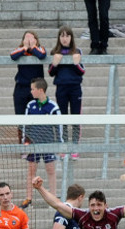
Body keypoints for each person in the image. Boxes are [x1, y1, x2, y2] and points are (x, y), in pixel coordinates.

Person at [20, 77, 62, 209]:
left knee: (50, 169)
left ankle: (53, 197)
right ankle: (29, 198)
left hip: (48, 143)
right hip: (34, 143)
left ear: (40, 90)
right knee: (31, 170)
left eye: (33, 89)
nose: (31, 91)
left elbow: (59, 126)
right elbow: (25, 125)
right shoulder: (30, 105)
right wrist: (24, 142)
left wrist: (59, 143)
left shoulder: (53, 107)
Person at [48, 26, 85, 160]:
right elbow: (50, 72)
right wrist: (55, 64)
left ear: (71, 37)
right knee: (62, 118)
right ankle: (63, 148)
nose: (65, 38)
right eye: (62, 36)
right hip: (61, 88)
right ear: (59, 38)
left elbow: (82, 71)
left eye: (67, 36)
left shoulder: (77, 51)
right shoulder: (55, 52)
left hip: (75, 88)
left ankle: (75, 148)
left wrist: (76, 63)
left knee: (75, 118)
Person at [10, 30, 46, 143]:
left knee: (35, 117)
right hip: (21, 88)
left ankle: (35, 142)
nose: (29, 40)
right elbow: (13, 55)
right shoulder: (21, 50)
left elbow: (42, 55)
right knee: (21, 118)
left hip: (36, 89)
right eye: (27, 38)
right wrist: (25, 47)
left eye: (31, 38)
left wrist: (33, 47)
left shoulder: (39, 49)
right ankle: (23, 144)